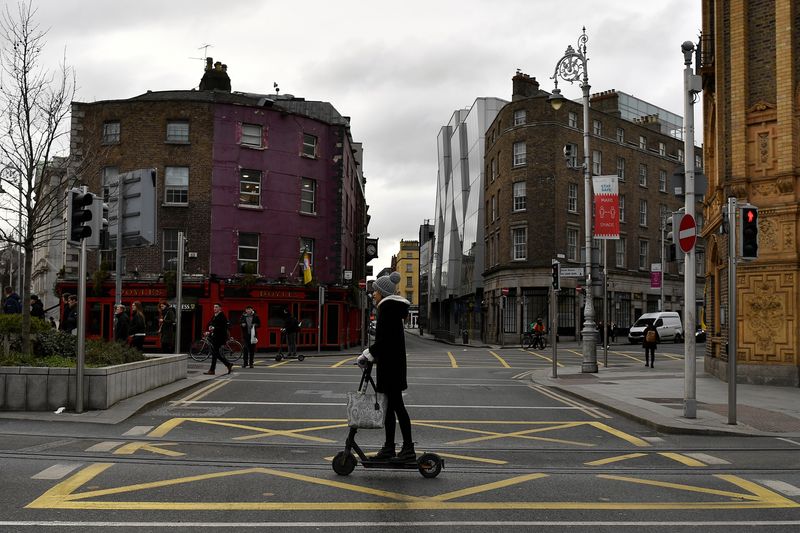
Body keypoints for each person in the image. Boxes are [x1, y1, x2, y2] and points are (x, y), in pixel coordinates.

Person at [356, 271, 415, 462]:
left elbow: (384, 341)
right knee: (391, 408)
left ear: (383, 292)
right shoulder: (390, 309)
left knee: (397, 407)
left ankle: (407, 449)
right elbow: (386, 341)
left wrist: (366, 354)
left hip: (391, 369)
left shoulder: (387, 310)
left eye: (376, 291)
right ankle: (390, 447)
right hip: (392, 367)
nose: (373, 294)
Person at [204, 303, 233, 375]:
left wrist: (214, 328)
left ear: (220, 308)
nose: (214, 308)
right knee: (214, 353)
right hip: (215, 336)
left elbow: (224, 328)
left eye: (216, 307)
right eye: (214, 307)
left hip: (220, 337)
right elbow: (210, 323)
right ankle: (213, 370)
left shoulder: (222, 316)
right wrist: (208, 330)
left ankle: (227, 364)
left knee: (215, 353)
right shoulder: (215, 316)